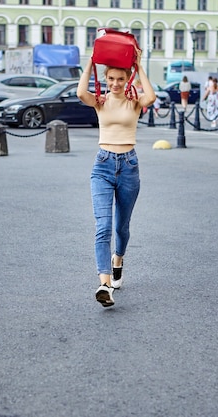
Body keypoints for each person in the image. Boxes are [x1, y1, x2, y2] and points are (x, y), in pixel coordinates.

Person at [77, 49, 156, 308]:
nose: (115, 83)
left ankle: (118, 259)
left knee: (122, 227)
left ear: (127, 80)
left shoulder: (134, 103)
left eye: (120, 79)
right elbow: (80, 93)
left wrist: (139, 66)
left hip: (129, 167)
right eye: (111, 78)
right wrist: (91, 61)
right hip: (102, 166)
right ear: (106, 79)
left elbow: (151, 96)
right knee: (103, 226)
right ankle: (104, 284)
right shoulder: (99, 101)